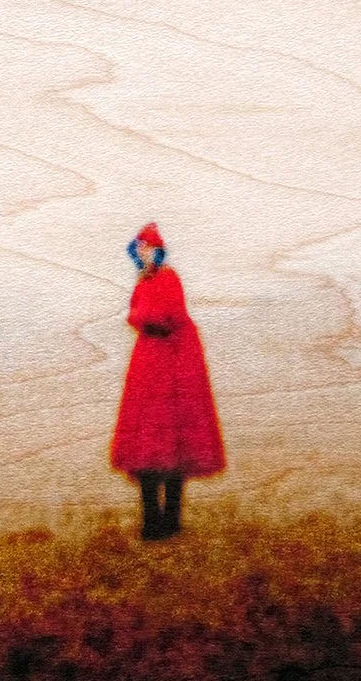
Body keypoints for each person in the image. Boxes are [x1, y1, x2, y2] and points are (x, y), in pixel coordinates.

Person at [110, 222, 225, 540]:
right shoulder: (146, 281)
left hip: (171, 365)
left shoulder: (167, 278)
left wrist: (139, 316)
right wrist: (140, 316)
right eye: (140, 249)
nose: (143, 253)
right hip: (152, 363)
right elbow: (144, 315)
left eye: (147, 248)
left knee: (172, 441)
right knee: (151, 442)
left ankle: (166, 521)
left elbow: (163, 317)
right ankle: (156, 521)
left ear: (157, 251)